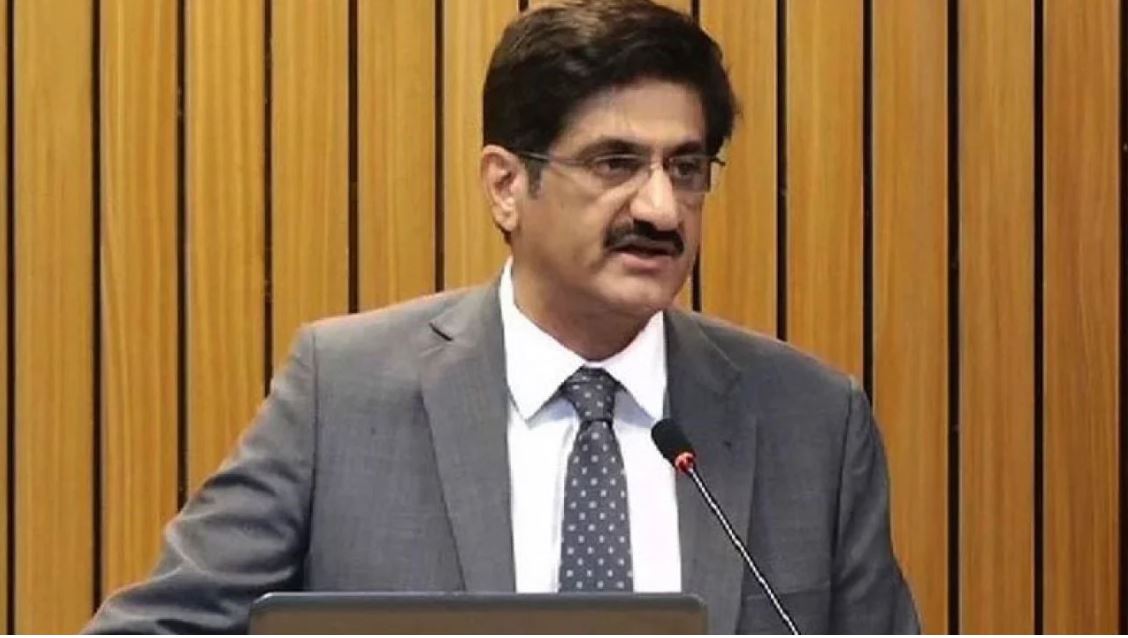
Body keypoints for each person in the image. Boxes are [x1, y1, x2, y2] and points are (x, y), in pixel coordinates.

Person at [85, 0, 919, 633]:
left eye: (687, 168)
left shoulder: (813, 419)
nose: (662, 209)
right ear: (507, 186)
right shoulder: (341, 395)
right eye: (616, 163)